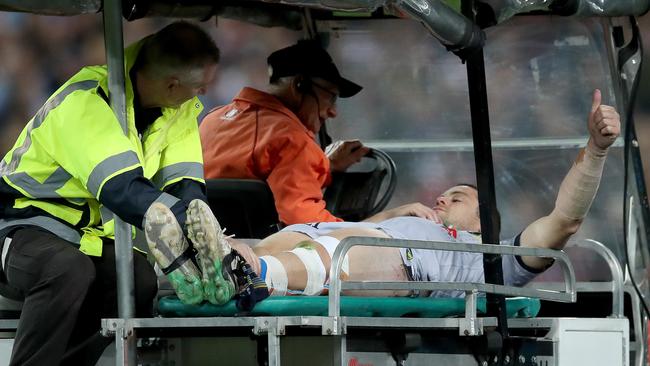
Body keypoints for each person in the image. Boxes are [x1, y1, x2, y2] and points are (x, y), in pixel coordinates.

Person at [145, 88, 619, 300]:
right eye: (444, 193)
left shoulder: (490, 255)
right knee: (286, 239)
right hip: (351, 238)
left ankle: (242, 274)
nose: (443, 198)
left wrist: (595, 151)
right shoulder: (403, 222)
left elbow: (565, 221)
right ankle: (208, 263)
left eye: (459, 197)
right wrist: (392, 212)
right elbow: (346, 228)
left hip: (401, 262)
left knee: (340, 250)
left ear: (482, 223)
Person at [0, 22, 221, 366]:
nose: (203, 95)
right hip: (24, 224)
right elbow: (122, 190)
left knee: (138, 280)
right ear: (172, 85)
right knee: (67, 269)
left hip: (85, 236)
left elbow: (186, 188)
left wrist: (208, 231)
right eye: (200, 88)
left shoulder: (178, 107)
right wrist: (197, 229)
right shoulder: (86, 101)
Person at [199, 40, 371, 225]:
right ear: (299, 85)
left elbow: (254, 172)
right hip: (263, 250)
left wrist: (326, 166)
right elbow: (304, 221)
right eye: (331, 97)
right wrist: (363, 229)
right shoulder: (292, 139)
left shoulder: (213, 119)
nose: (333, 112)